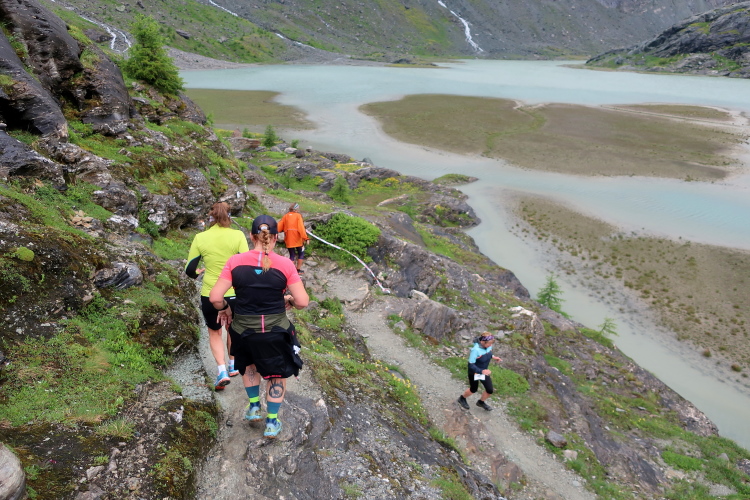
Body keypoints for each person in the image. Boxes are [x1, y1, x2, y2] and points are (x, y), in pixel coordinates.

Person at [209, 214, 309, 439]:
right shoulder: (285, 264)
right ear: (276, 237)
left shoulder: (235, 262)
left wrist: (225, 309)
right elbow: (303, 302)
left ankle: (254, 407)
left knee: (249, 365)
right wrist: (289, 299)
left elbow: (215, 297)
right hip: (275, 331)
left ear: (251, 236)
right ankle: (272, 422)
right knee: (276, 374)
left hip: (244, 330)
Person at [185, 202, 249, 391]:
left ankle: (221, 371)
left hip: (210, 293)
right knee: (233, 328)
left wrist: (197, 274)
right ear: (229, 216)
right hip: (235, 293)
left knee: (214, 332)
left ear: (210, 217)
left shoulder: (200, 237)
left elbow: (190, 269)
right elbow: (247, 265)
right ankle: (233, 364)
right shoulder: (238, 236)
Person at [457, 333, 502, 411]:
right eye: (489, 343)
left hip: (484, 371)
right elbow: (471, 365)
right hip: (474, 372)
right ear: (483, 342)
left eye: (491, 343)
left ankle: (481, 402)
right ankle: (462, 398)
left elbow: (488, 352)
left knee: (489, 390)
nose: (490, 345)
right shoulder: (475, 350)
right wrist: (481, 371)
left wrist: (493, 357)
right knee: (473, 389)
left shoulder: (488, 346)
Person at [277, 203, 309, 274]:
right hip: (297, 239)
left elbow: (279, 227)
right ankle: (298, 270)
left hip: (289, 239)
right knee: (301, 253)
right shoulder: (298, 216)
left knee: (292, 255)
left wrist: (273, 232)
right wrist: (306, 238)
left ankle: (290, 271)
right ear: (296, 209)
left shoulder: (285, 216)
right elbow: (301, 228)